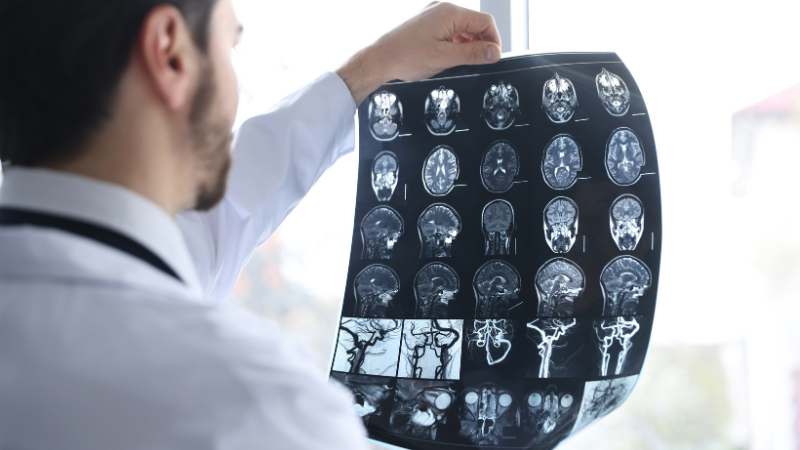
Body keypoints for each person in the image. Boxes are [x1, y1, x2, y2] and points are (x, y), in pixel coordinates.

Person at [0, 0, 500, 448]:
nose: (241, 83)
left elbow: (230, 205)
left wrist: (372, 69)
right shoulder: (258, 410)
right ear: (170, 52)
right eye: (230, 45)